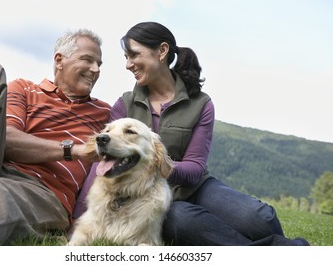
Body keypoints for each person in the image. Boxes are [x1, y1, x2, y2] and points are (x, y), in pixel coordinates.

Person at [74, 21, 309, 246]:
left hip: (195, 187)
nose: (128, 64)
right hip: (147, 194)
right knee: (183, 222)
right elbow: (104, 160)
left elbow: (195, 167)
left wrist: (156, 163)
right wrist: (78, 216)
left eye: (134, 54)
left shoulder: (200, 103)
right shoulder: (125, 103)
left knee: (260, 219)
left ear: (162, 51)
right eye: (126, 57)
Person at [0, 29, 110, 245]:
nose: (95, 70)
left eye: (99, 64)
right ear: (59, 60)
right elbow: (8, 141)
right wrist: (72, 150)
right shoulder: (23, 89)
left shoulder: (105, 113)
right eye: (87, 60)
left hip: (41, 191)